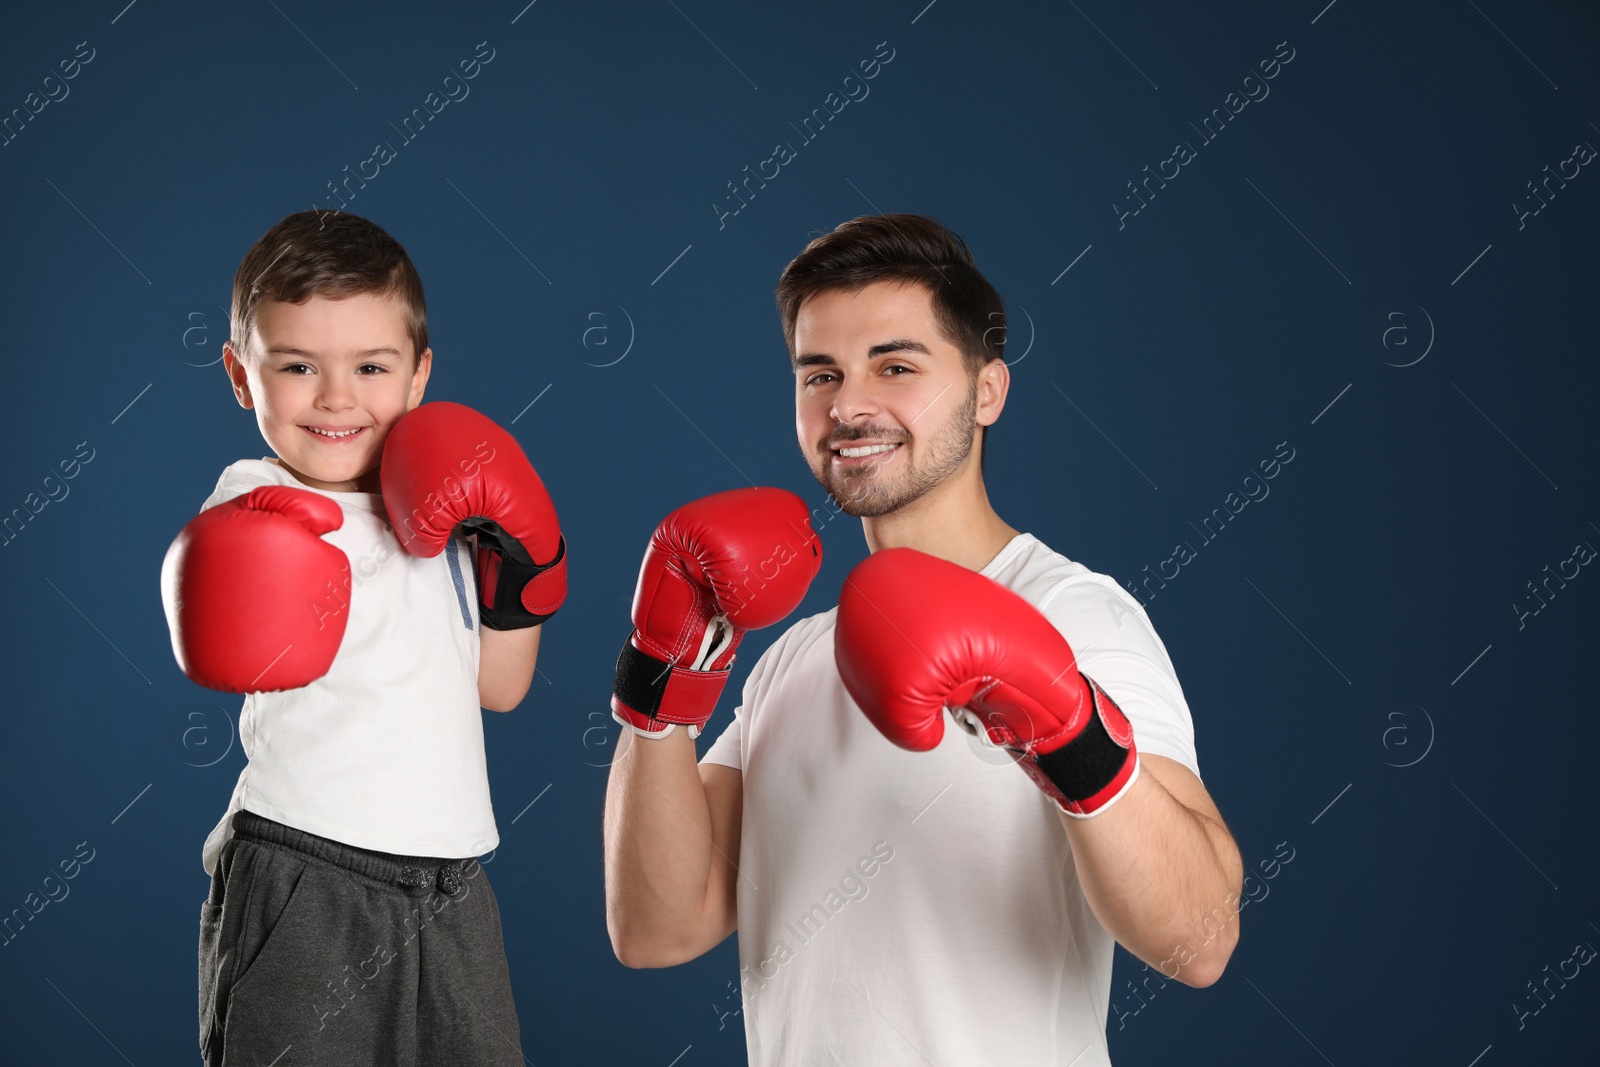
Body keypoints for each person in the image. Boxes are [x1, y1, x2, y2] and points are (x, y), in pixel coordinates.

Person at [603, 214, 1243, 1064]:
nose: (850, 405)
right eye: (819, 373)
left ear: (986, 391)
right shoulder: (792, 659)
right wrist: (659, 678)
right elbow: (657, 926)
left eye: (896, 366)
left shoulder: (1079, 615)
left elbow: (1198, 941)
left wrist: (1066, 726)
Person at [159, 210, 567, 1066]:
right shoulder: (252, 493)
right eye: (299, 366)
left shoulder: (452, 503)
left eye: (370, 367)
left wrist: (526, 569)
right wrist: (244, 556)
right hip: (307, 867)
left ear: (419, 375)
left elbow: (498, 687)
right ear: (241, 376)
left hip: (453, 877)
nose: (337, 397)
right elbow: (220, 636)